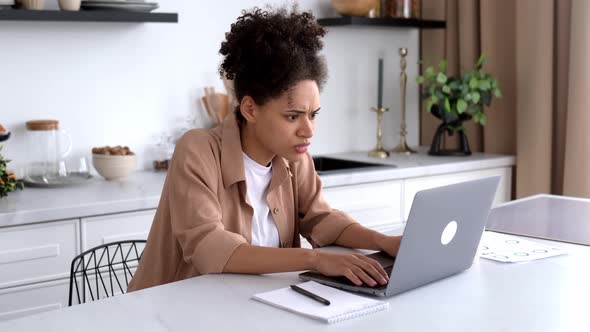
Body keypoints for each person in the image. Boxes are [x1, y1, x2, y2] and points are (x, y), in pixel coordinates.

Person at [127, 5, 402, 292]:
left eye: (313, 114)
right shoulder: (197, 150)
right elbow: (209, 248)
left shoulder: (295, 156)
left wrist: (383, 241)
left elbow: (322, 220)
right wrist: (316, 259)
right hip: (169, 312)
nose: (308, 130)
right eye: (293, 116)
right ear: (250, 109)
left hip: (252, 305)